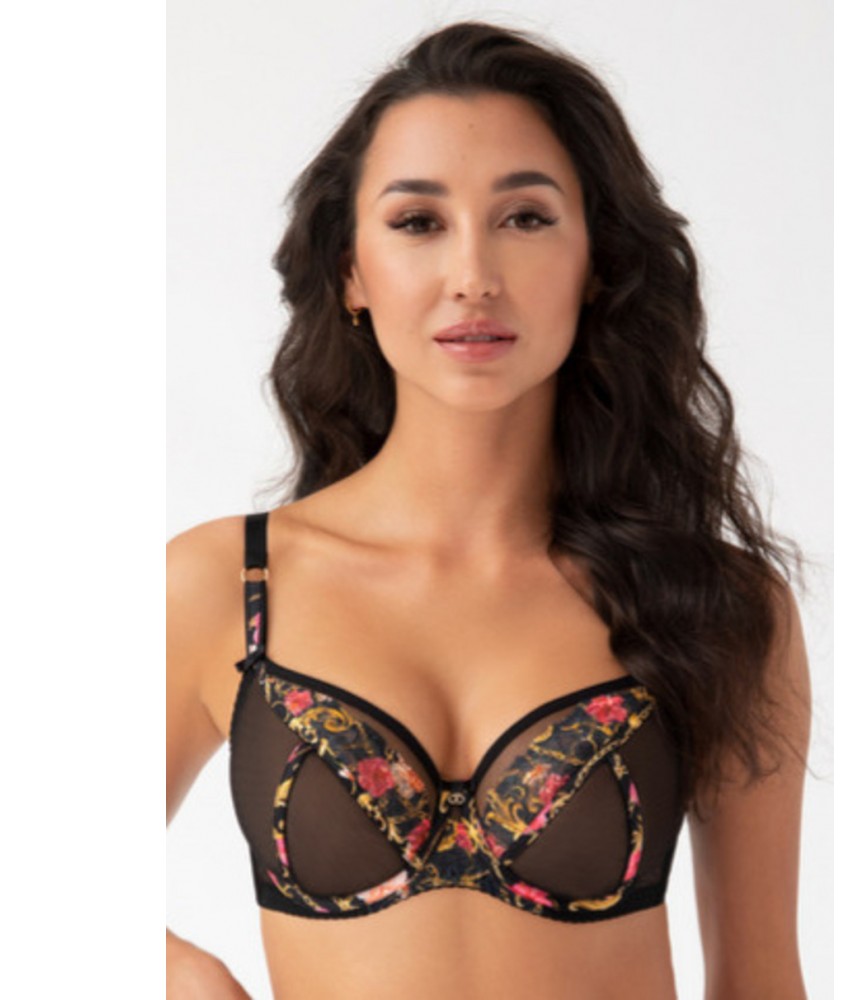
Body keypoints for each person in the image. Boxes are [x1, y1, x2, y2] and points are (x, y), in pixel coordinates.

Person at [167, 20, 811, 1000]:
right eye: (417, 222)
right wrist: (181, 976)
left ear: (597, 261)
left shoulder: (715, 604)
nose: (473, 276)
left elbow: (760, 981)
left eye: (525, 218)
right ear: (350, 271)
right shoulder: (228, 585)